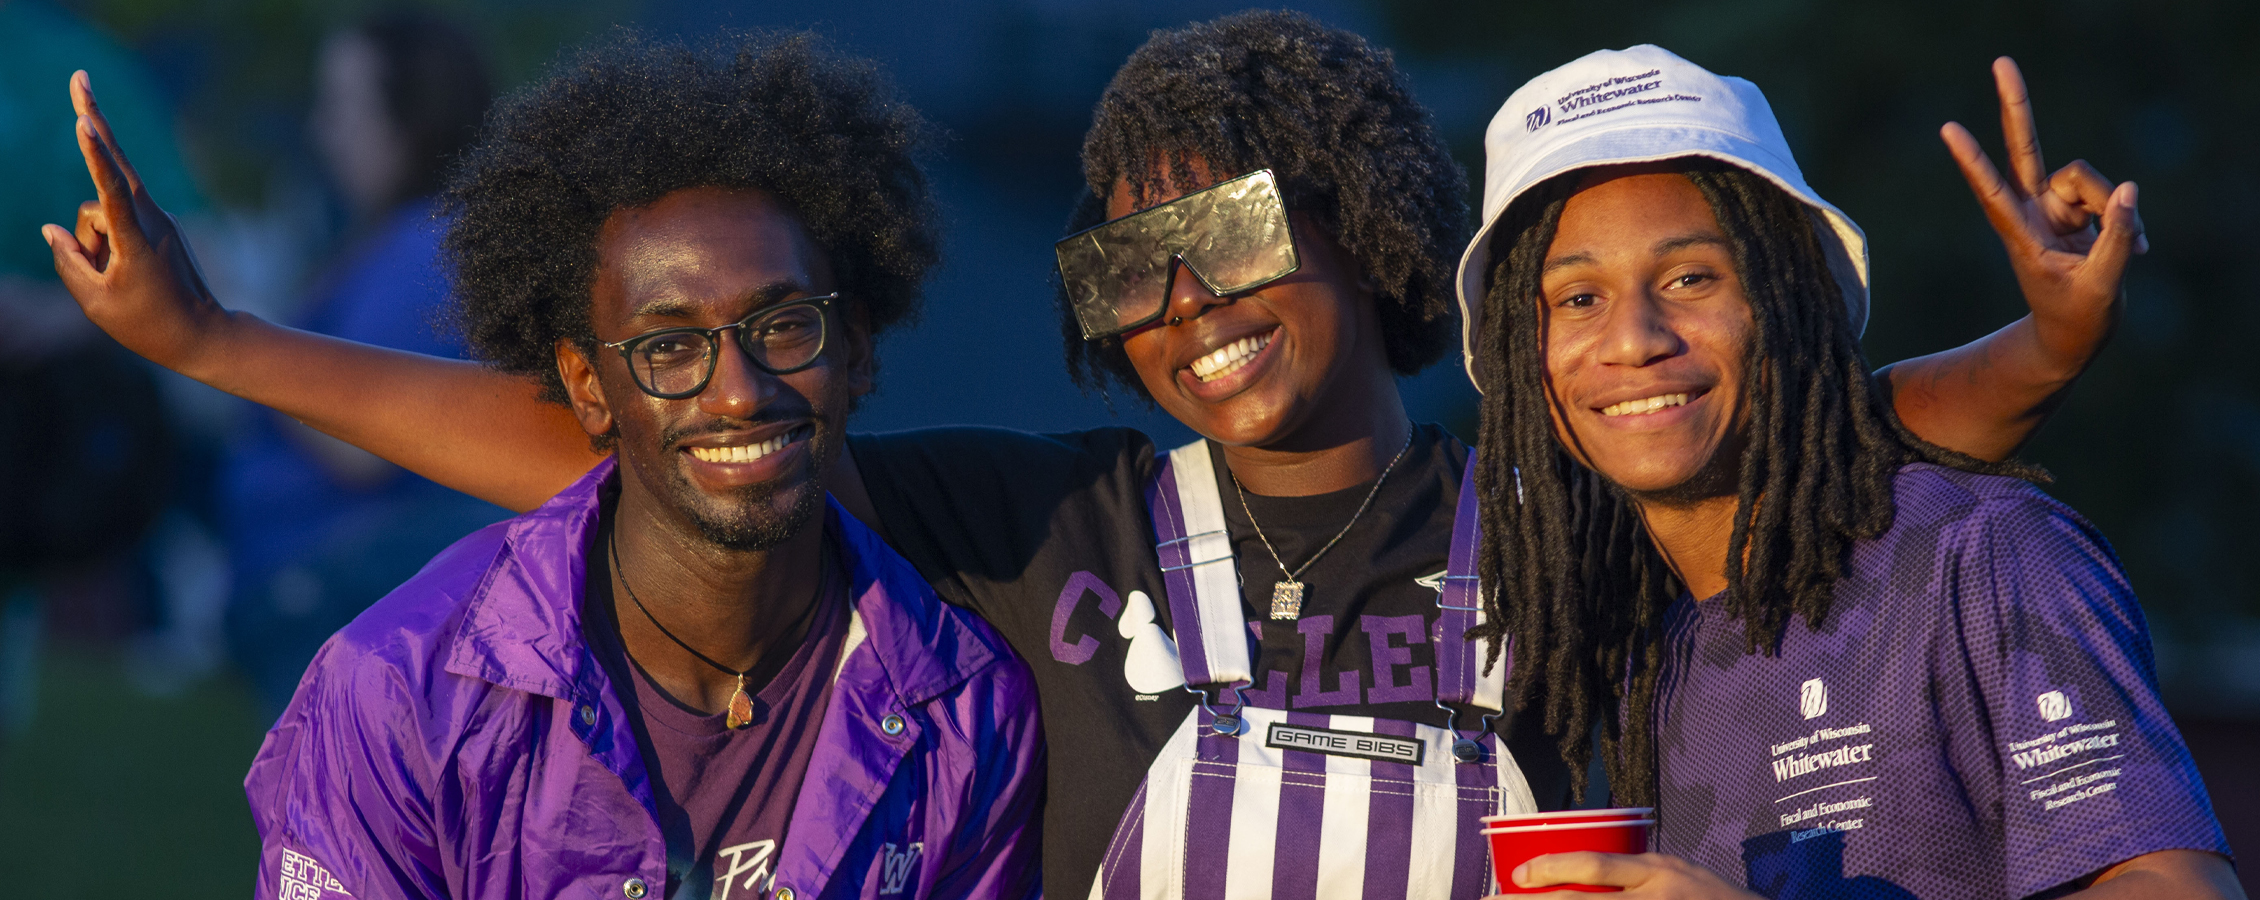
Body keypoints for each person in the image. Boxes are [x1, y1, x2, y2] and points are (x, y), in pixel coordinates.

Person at [46, 13, 2129, 898]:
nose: (1188, 297)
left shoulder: (1547, 514)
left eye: (1235, 230)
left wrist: (2033, 349)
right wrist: (214, 343)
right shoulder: (1048, 519)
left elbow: (1798, 434)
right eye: (1132, 261)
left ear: (1363, 228)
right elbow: (651, 443)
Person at [48, 34, 1043, 900]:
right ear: (585, 387)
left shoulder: (966, 709)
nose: (739, 392)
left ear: (856, 345)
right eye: (668, 347)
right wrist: (205, 336)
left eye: (783, 325)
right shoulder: (398, 695)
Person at [1458, 47, 2235, 898]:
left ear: (1792, 298)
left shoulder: (1977, 550)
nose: (1636, 339)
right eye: (1578, 299)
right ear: (1518, 355)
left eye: (1690, 278)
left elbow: (2181, 887)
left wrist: (2056, 342)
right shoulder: (1637, 646)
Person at [223, 9, 507, 717]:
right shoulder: (408, 243)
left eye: (341, 107)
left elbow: (364, 445)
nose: (322, 131)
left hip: (343, 595)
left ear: (411, 120)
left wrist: (227, 332)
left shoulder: (427, 248)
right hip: (341, 590)